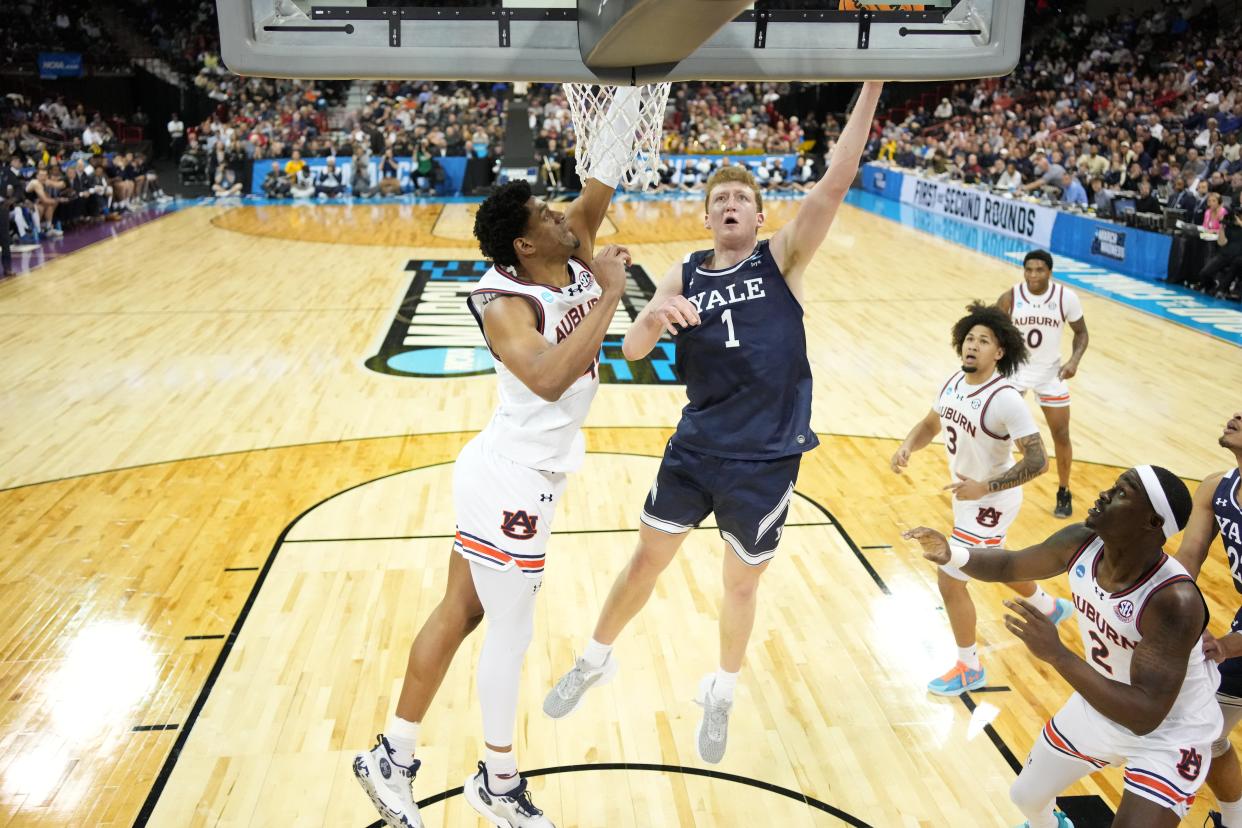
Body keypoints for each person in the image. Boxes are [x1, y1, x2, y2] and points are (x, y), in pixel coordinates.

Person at [541, 82, 885, 764]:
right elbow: (633, 349)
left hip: (765, 460)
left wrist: (872, 81)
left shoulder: (782, 259)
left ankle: (722, 689)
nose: (730, 206)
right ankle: (594, 657)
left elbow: (837, 179)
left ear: (760, 217)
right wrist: (649, 316)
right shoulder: (685, 271)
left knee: (741, 582)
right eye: (720, 201)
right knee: (646, 560)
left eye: (741, 201)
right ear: (706, 219)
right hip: (697, 447)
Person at [352, 88, 645, 828]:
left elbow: (603, 173)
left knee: (460, 611)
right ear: (524, 245)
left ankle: (393, 754)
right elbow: (546, 379)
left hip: (516, 471)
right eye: (547, 217)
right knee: (510, 635)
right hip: (513, 480)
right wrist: (610, 296)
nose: (565, 217)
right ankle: (498, 781)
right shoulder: (502, 305)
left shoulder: (568, 245)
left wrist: (639, 88)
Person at [905, 465, 1219, 828]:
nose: (1103, 494)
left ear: (1151, 522)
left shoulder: (1173, 600)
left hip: (1167, 734)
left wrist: (1057, 654)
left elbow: (1145, 715)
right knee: (1025, 796)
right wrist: (953, 555)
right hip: (1099, 702)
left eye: (1121, 492)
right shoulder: (1081, 541)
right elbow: (1010, 564)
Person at [890, 301, 1067, 695]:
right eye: (969, 338)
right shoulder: (954, 382)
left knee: (950, 578)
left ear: (998, 352)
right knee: (1000, 563)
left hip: (992, 502)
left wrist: (985, 488)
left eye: (983, 341)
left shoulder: (1005, 399)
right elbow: (931, 424)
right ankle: (1047, 606)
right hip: (966, 497)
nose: (973, 346)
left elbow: (1038, 462)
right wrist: (907, 446)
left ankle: (969, 667)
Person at [1175, 410, 1242, 828]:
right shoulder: (1217, 488)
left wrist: (1228, 645)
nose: (1235, 414)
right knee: (1207, 731)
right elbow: (1185, 565)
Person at [997, 250, 1089, 518]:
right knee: (999, 431)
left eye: (1039, 270)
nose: (1033, 275)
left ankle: (1063, 490)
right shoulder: (1010, 297)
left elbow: (1081, 333)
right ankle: (1001, 482)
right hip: (1015, 371)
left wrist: (1074, 361)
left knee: (1061, 434)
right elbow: (992, 331)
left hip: (1051, 374)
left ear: (1049, 272)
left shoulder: (1065, 297)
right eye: (1028, 270)